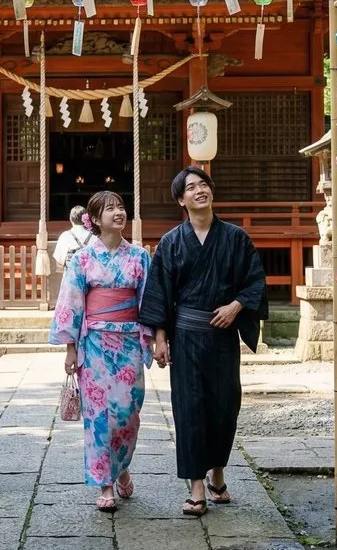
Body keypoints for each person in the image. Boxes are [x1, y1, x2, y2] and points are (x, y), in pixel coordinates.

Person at [139, 166, 267, 517]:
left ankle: (218, 472)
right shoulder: (171, 243)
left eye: (204, 185)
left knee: (225, 408)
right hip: (186, 338)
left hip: (222, 336)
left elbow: (254, 281)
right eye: (191, 188)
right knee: (190, 409)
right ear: (181, 200)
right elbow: (160, 294)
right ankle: (197, 487)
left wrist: (236, 305)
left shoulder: (236, 238)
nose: (200, 191)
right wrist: (160, 338)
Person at [50, 191, 151, 512]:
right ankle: (104, 484)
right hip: (93, 344)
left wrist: (155, 339)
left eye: (121, 207)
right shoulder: (82, 259)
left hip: (129, 343)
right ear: (93, 219)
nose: (118, 213)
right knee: (98, 418)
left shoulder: (139, 257)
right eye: (110, 209)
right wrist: (70, 349)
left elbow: (149, 303)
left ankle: (121, 468)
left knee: (127, 414)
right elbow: (70, 303)